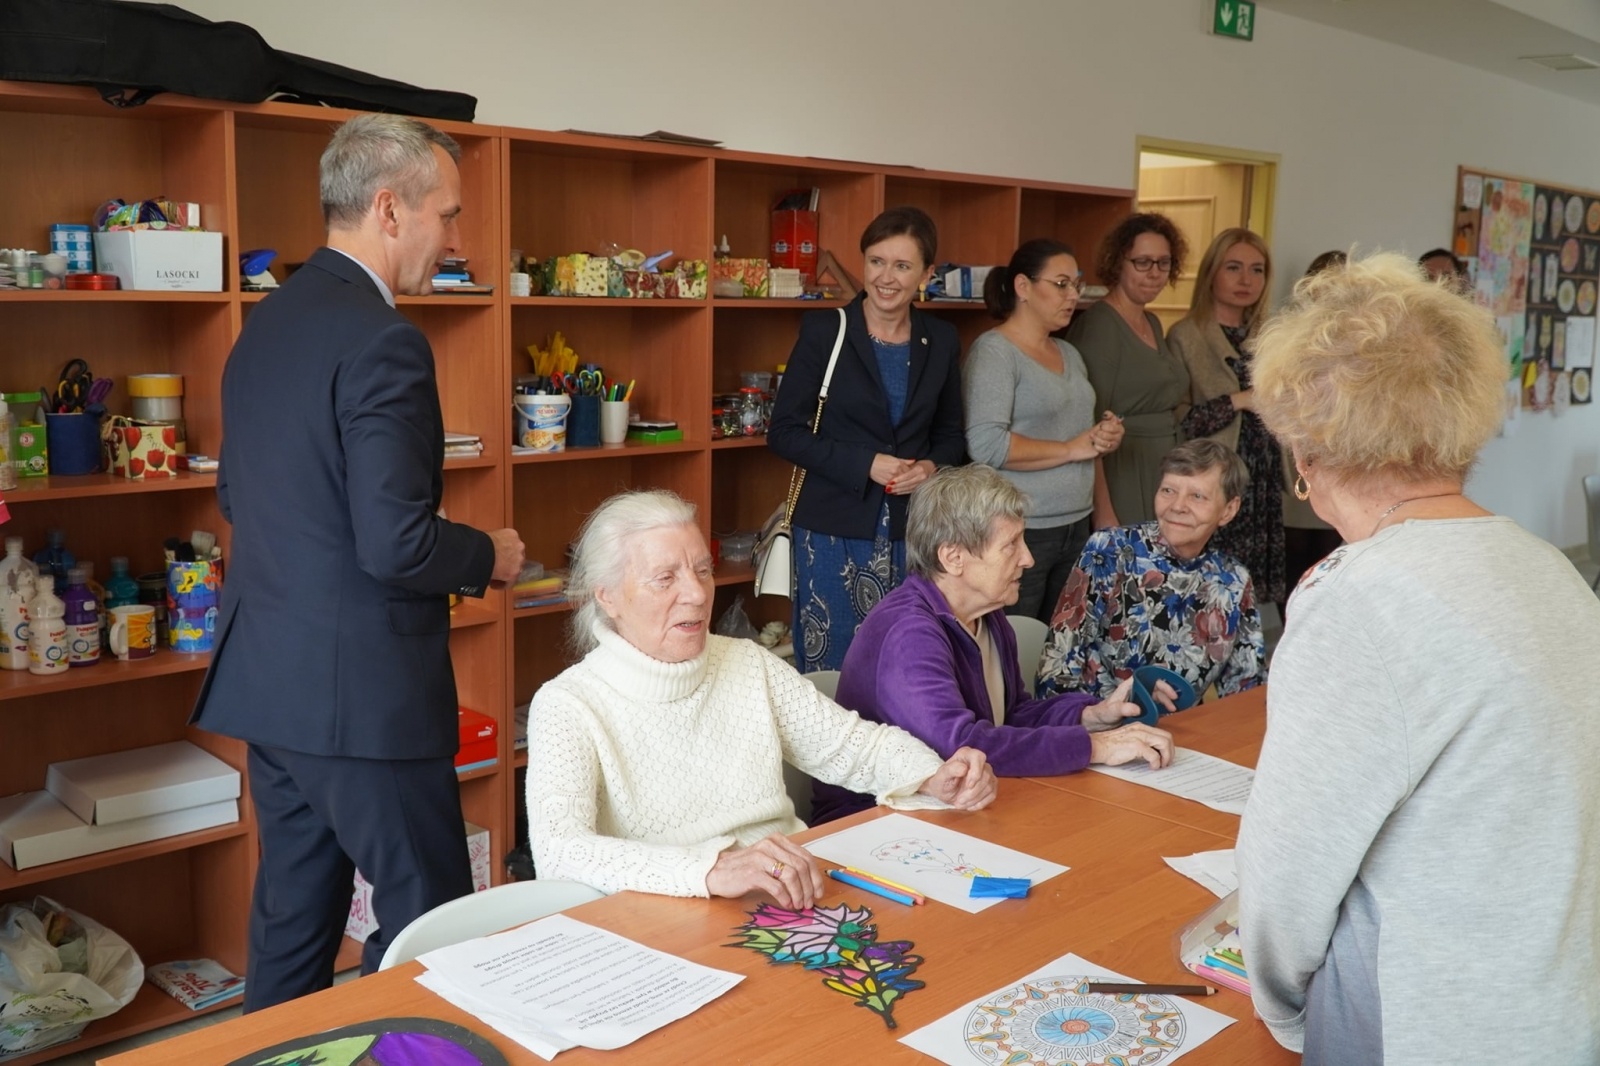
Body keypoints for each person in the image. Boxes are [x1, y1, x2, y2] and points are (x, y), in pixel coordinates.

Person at [190, 115, 525, 1009]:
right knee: (431, 923)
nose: (455, 240)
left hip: (271, 679)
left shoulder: (268, 323)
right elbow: (396, 543)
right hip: (366, 701)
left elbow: (240, 499)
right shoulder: (386, 341)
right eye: (447, 216)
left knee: (295, 921)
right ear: (389, 208)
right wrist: (486, 554)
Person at [1237, 252, 1600, 1062]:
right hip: (1559, 1006)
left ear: (1309, 449)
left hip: (1430, 1022)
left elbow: (1286, 873)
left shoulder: (1355, 597)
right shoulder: (1550, 569)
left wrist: (1289, 1012)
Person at [527, 490, 997, 904]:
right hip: (664, 917)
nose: (695, 593)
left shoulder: (746, 663)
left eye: (702, 570)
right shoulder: (568, 706)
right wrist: (710, 869)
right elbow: (561, 851)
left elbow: (855, 747)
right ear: (607, 596)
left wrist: (932, 775)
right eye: (665, 578)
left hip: (785, 894)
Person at [812, 465, 1173, 825]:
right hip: (871, 822)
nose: (1028, 558)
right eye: (1011, 544)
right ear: (953, 558)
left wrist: (1091, 715)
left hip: (954, 806)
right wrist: (1094, 747)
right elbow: (960, 746)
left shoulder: (986, 613)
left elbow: (1012, 714)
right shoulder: (908, 633)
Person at [768, 207, 966, 672]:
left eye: (902, 266)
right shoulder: (826, 332)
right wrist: (866, 464)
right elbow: (784, 433)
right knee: (834, 668)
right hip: (832, 532)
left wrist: (929, 468)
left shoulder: (940, 339)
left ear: (927, 273)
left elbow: (951, 436)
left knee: (906, 663)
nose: (886, 278)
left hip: (914, 534)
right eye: (877, 261)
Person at [962, 239, 1125, 621]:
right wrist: (1071, 448)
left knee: (1063, 644)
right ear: (1023, 287)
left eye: (1077, 285)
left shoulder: (1069, 353)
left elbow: (1086, 442)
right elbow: (986, 445)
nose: (1072, 295)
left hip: (1076, 525)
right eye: (1061, 284)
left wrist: (1102, 438)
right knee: (1015, 643)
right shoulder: (995, 352)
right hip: (1020, 529)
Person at [1037, 439, 1265, 703]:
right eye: (1168, 490)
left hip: (1184, 734)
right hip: (1101, 727)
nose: (1177, 506)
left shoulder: (1234, 581)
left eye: (1197, 496)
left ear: (1228, 510)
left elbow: (1246, 692)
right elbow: (1054, 672)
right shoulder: (1111, 551)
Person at [1170, 228, 1285, 611]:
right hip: (1216, 478)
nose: (1245, 280)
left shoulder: (1271, 336)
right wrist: (1238, 401)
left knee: (1250, 594)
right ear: (1211, 273)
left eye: (1256, 270)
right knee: (1210, 590)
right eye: (1233, 267)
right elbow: (1181, 420)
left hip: (1264, 478)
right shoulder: (1186, 336)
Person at [1065, 212, 1191, 528]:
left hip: (1162, 468)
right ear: (1118, 262)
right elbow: (1089, 427)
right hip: (1121, 473)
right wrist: (1103, 511)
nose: (1154, 273)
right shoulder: (1100, 327)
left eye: (1163, 263)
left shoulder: (1151, 321)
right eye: (1143, 262)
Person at [1281, 251, 1346, 594]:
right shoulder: (1288, 339)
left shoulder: (1369, 341)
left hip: (1348, 468)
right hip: (1297, 463)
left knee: (1336, 565)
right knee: (1297, 567)